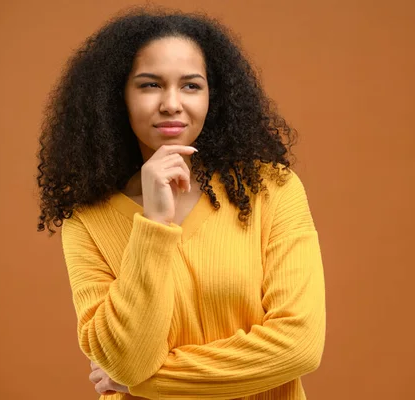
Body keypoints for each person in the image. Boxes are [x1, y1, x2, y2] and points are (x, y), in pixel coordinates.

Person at [36, 6, 326, 400]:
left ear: (214, 96)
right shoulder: (87, 222)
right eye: (150, 85)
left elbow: (299, 345)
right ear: (115, 96)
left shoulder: (272, 190)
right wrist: (154, 223)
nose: (172, 104)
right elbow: (126, 358)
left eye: (191, 86)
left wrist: (146, 383)